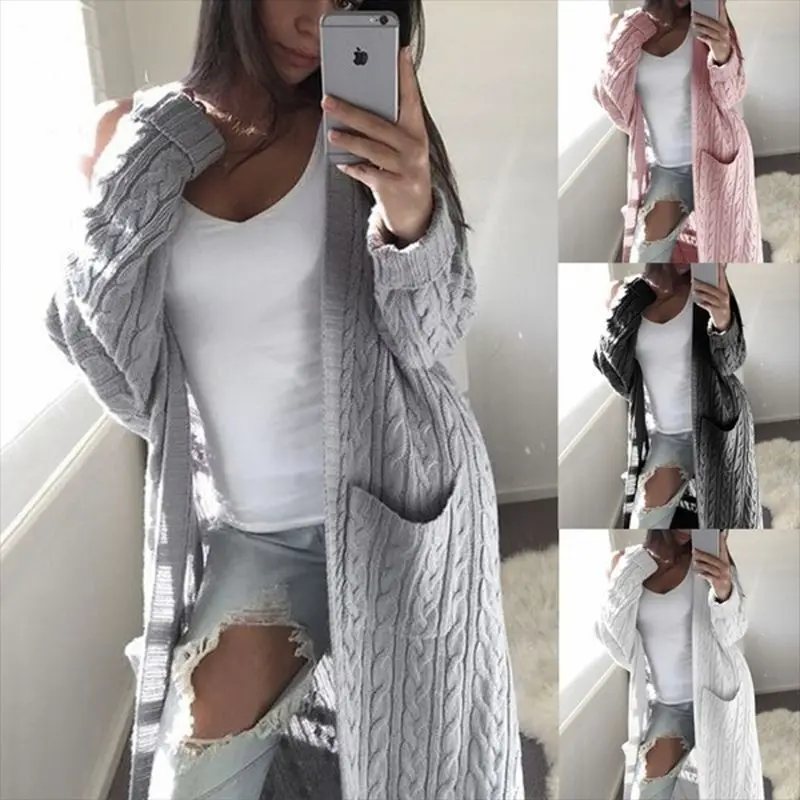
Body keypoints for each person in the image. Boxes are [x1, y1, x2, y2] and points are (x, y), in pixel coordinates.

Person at [45, 1, 524, 798]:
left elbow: (430, 335)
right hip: (261, 535)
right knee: (189, 783)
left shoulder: (365, 125)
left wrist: (411, 212)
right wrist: (145, 164)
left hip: (403, 511)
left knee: (428, 771)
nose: (317, 21)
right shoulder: (125, 138)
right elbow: (111, 364)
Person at [597, 531, 764, 800]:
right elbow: (617, 645)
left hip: (719, 694)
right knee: (646, 793)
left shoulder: (708, 559)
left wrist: (724, 590)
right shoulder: (624, 562)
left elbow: (733, 632)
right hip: (670, 705)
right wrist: (632, 567)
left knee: (727, 789)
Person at [593, 264, 761, 529]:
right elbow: (615, 374)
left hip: (718, 425)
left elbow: (731, 361)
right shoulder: (625, 295)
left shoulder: (703, 285)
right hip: (666, 435)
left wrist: (722, 319)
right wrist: (620, 311)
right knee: (643, 524)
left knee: (729, 516)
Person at [596, 0, 762, 264]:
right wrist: (623, 38)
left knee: (727, 252)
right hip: (668, 168)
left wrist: (722, 52)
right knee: (646, 257)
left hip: (719, 158)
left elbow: (731, 95)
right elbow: (611, 101)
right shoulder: (626, 28)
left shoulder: (708, 23)